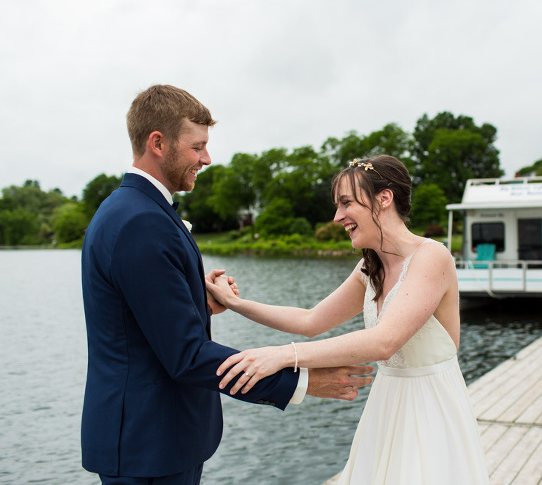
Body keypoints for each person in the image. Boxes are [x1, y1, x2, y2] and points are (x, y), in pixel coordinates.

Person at [81, 84, 373, 485]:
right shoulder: (141, 222)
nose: (206, 158)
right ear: (158, 143)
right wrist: (301, 380)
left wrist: (197, 299)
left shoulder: (131, 210)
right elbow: (186, 355)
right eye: (197, 147)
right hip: (147, 445)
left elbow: (136, 314)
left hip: (154, 440)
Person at [207, 155, 490, 484]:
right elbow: (310, 320)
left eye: (346, 203)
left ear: (384, 199)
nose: (337, 216)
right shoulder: (370, 268)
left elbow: (384, 341)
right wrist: (235, 303)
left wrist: (284, 355)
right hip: (386, 405)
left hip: (431, 408)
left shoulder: (432, 256)